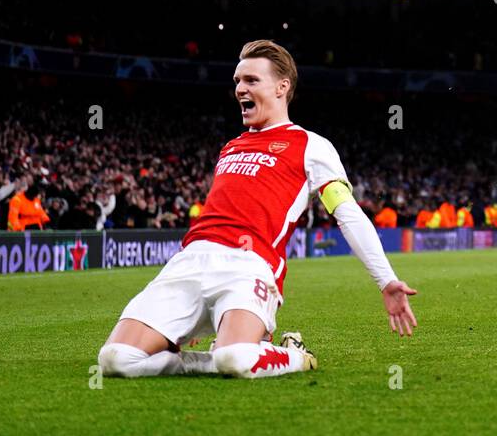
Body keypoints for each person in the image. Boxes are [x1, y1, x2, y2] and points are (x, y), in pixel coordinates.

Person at [98, 40, 417, 380]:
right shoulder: (231, 147)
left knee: (235, 359)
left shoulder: (311, 145)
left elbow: (347, 213)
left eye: (251, 80)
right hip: (189, 263)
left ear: (282, 87)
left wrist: (386, 281)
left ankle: (293, 353)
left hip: (248, 266)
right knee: (116, 359)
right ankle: (206, 359)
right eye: (237, 80)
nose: (239, 89)